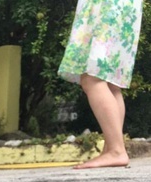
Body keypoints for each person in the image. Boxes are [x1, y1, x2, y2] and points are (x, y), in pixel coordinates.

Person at [58, 0, 143, 169]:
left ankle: (116, 151)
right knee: (110, 82)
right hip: (124, 6)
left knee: (92, 78)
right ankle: (112, 148)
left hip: (106, 6)